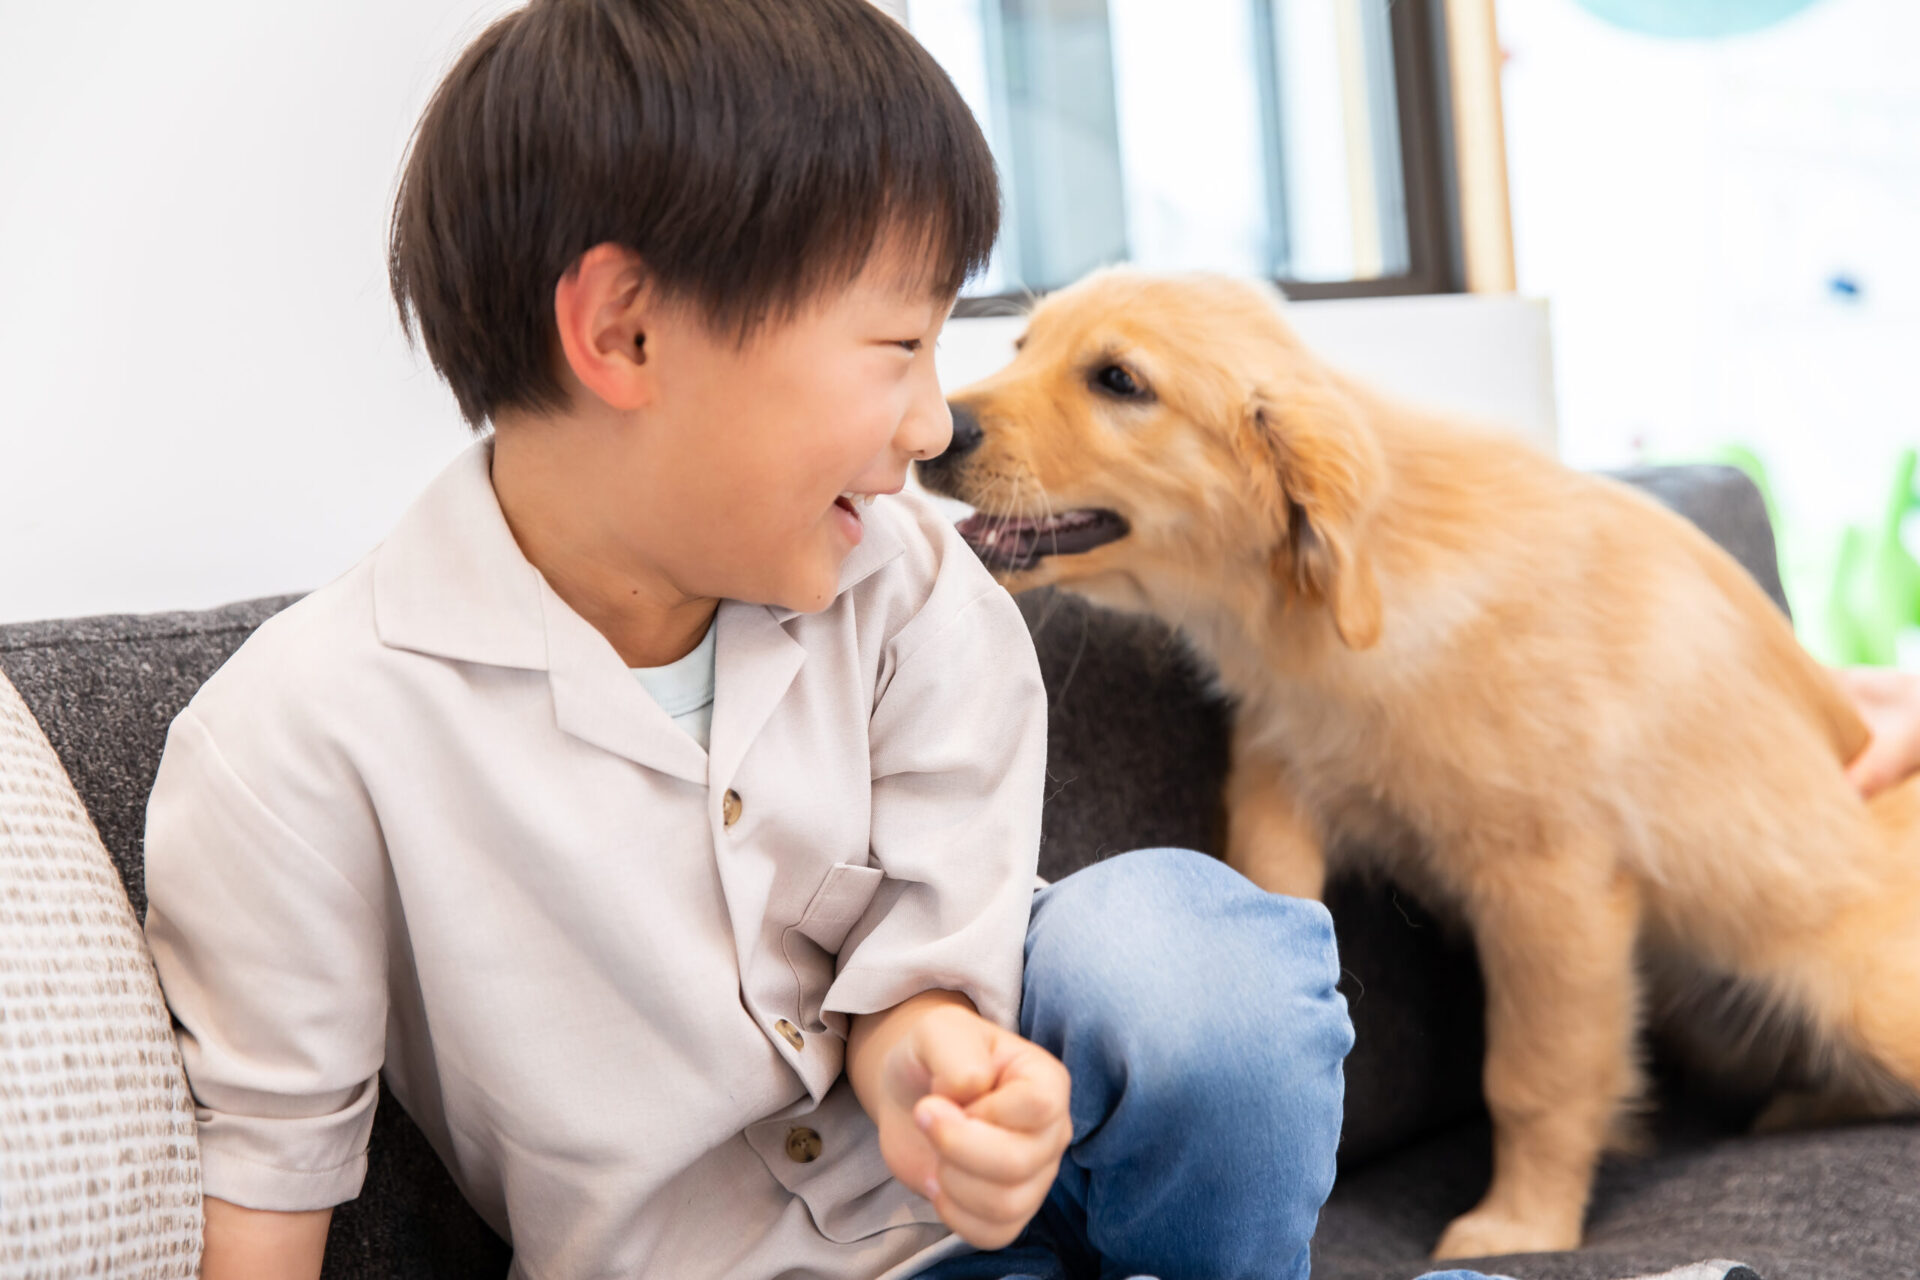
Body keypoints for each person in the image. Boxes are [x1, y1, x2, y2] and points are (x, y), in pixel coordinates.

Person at [141, 3, 1376, 1277]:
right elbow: (269, 1189)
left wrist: (936, 1078)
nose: (931, 422)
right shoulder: (294, 741)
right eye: (897, 346)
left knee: (1198, 959)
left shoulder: (914, 593)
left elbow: (918, 991)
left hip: (1023, 1227)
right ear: (624, 330)